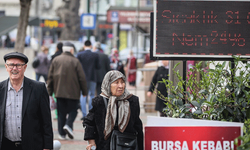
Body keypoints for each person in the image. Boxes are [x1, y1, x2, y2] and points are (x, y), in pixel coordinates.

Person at [0, 52, 53, 150]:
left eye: (18, 65)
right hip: (5, 145)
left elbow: (46, 121)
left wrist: (47, 147)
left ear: (25, 67)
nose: (14, 68)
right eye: (11, 65)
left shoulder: (39, 89)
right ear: (6, 67)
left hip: (32, 145)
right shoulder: (1, 89)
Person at [83, 70, 144, 150]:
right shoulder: (99, 101)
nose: (121, 86)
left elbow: (137, 126)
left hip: (127, 146)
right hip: (104, 146)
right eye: (116, 82)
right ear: (108, 84)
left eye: (122, 82)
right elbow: (89, 123)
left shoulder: (132, 101)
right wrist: (92, 143)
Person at [47, 42, 87, 140]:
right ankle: (68, 125)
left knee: (61, 113)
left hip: (59, 91)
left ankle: (62, 134)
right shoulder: (75, 61)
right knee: (74, 110)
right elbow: (81, 78)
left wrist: (49, 91)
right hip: (73, 92)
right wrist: (84, 91)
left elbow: (50, 77)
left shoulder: (56, 60)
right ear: (72, 50)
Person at [77, 40, 100, 120]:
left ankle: (84, 114)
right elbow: (98, 66)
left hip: (82, 78)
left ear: (84, 46)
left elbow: (77, 67)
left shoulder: (79, 55)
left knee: (83, 95)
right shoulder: (95, 55)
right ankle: (91, 113)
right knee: (92, 95)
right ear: (91, 46)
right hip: (93, 77)